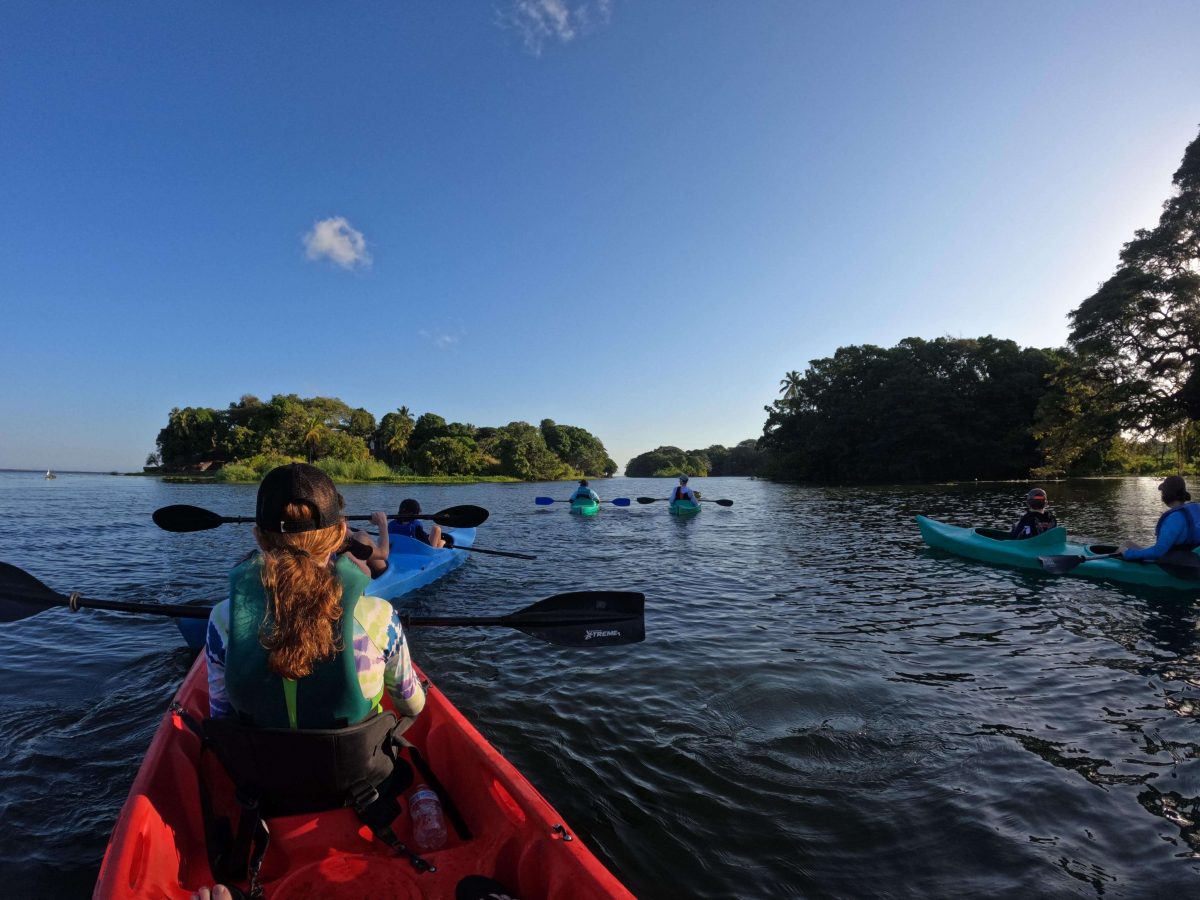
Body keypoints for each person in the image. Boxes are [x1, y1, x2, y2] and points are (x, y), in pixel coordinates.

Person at [205, 463, 426, 729]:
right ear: (339, 536)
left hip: (258, 766)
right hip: (356, 768)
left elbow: (221, 715)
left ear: (259, 537)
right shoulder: (380, 616)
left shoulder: (222, 618)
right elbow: (412, 706)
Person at [1121, 475, 1200, 561]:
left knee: (1125, 548)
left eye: (1162, 492)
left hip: (1173, 566)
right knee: (1128, 544)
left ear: (1166, 495)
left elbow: (1158, 552)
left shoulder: (1175, 518)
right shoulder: (1196, 509)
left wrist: (1127, 553)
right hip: (1192, 560)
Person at [345, 510, 390, 578]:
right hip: (366, 575)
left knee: (355, 535)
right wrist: (382, 523)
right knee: (362, 536)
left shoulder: (327, 537)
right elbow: (384, 554)